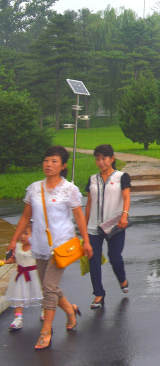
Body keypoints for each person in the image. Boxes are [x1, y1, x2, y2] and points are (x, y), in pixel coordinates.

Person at [6, 146, 93, 350]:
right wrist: (14, 239)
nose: (49, 164)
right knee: (49, 287)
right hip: (39, 244)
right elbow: (26, 216)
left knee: (49, 289)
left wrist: (86, 240)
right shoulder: (34, 188)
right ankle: (70, 310)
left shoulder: (69, 189)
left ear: (63, 166)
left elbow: (79, 217)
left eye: (54, 161)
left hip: (61, 245)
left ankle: (46, 331)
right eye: (46, 160)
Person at [84, 144, 131, 309]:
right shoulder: (92, 179)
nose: (100, 162)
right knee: (93, 260)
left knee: (115, 257)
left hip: (115, 225)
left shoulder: (122, 177)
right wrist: (83, 227)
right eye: (97, 159)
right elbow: (89, 203)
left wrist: (125, 214)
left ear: (112, 159)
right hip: (93, 227)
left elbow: (126, 197)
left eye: (104, 158)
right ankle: (98, 294)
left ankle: (122, 278)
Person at [4, 221, 43, 330]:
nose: (22, 236)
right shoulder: (17, 247)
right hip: (20, 276)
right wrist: (4, 261)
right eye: (21, 233)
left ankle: (44, 309)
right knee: (18, 297)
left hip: (34, 275)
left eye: (26, 233)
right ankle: (18, 319)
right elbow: (13, 259)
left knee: (40, 293)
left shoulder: (36, 248)